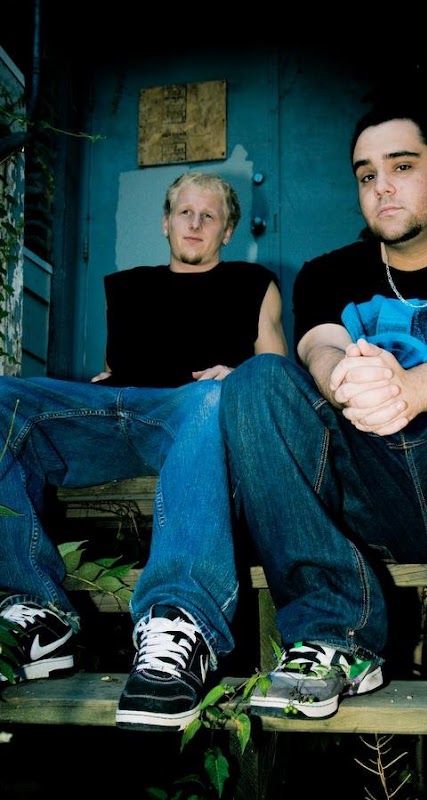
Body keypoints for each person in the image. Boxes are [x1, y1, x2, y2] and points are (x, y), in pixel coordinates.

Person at [219, 90, 427, 734]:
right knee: (256, 380)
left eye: (402, 166)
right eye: (367, 175)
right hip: (370, 491)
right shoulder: (327, 273)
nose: (382, 187)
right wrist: (350, 382)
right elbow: (321, 349)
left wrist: (410, 389)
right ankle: (333, 632)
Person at [0, 171, 288, 732]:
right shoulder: (128, 287)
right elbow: (115, 370)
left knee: (209, 398)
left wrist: (240, 377)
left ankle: (180, 620)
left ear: (228, 230)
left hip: (193, 414)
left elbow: (276, 378)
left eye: (209, 215)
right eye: (185, 212)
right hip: (116, 413)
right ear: (165, 222)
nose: (195, 223)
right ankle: (35, 612)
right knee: (4, 399)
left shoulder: (254, 283)